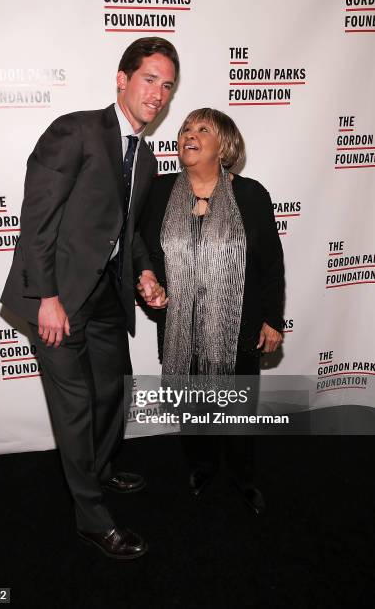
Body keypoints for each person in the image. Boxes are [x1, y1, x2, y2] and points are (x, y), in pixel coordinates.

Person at [1, 37, 179, 559]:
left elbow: (128, 230)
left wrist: (144, 270)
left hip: (106, 298)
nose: (158, 94)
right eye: (149, 79)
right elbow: (36, 223)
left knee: (114, 394)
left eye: (167, 85)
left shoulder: (143, 157)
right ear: (121, 79)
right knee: (76, 410)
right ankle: (91, 518)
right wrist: (46, 297)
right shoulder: (75, 131)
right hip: (57, 298)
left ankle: (100, 470)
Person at [139, 108, 284, 514]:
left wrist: (273, 318)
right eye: (186, 127)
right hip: (179, 326)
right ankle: (201, 465)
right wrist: (148, 285)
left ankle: (243, 476)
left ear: (225, 146)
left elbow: (271, 263)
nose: (190, 133)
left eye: (203, 129)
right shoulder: (159, 192)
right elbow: (145, 252)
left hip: (237, 324)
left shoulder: (251, 195)